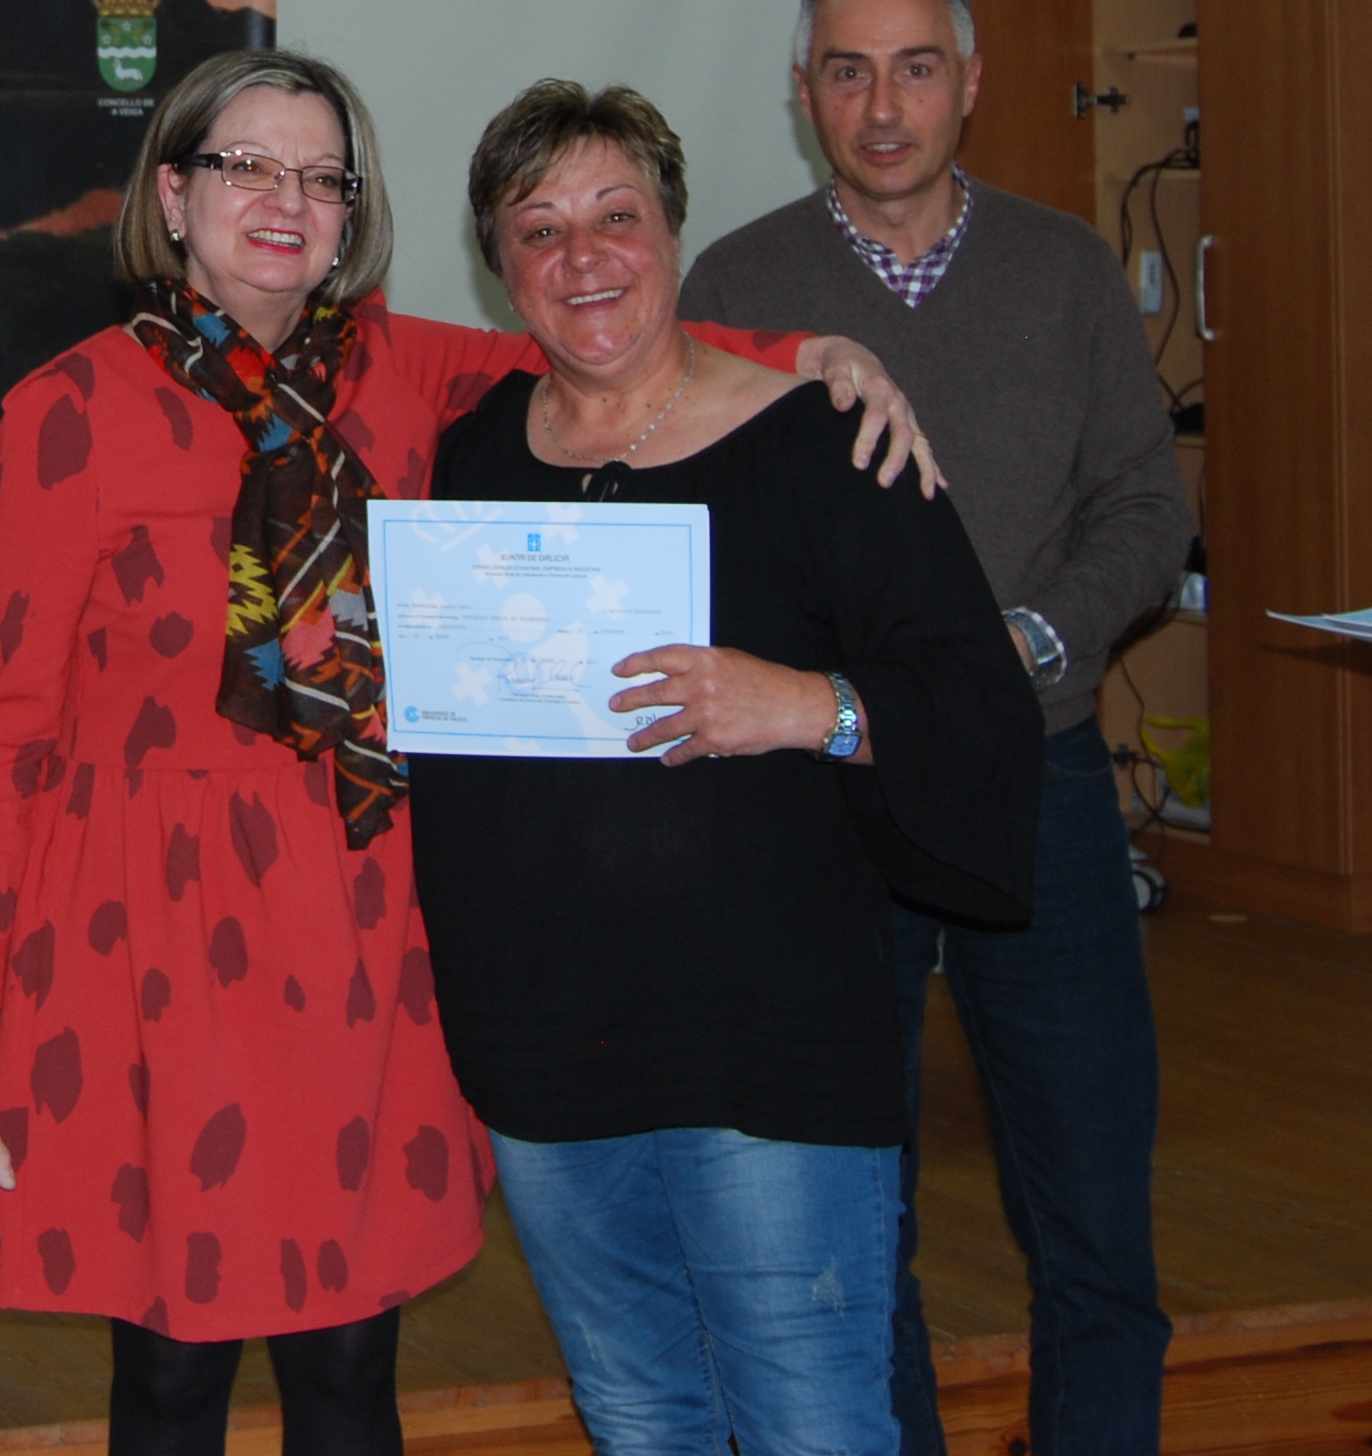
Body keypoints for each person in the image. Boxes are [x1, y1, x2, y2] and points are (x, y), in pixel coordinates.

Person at [0, 48, 940, 1455]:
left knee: (349, 1363)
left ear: (352, 213)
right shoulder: (66, 412)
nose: (287, 199)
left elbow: (611, 344)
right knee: (171, 1370)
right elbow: (3, 736)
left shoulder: (408, 373)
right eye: (247, 167)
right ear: (174, 194)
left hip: (357, 923)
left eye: (322, 177)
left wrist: (813, 354)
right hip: (150, 939)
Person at [409, 79, 1040, 1456]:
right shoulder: (468, 461)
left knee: (812, 1424)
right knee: (640, 1419)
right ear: (499, 265)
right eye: (539, 228)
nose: (583, 257)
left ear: (674, 232)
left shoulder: (830, 445)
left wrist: (809, 704)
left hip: (769, 1047)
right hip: (545, 1044)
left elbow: (976, 706)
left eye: (617, 216)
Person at [683, 0, 1190, 1453]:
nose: (884, 106)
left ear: (971, 83)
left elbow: (1144, 511)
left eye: (916, 68)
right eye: (849, 72)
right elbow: (708, 533)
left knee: (1095, 1213)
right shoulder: (739, 289)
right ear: (803, 94)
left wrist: (1028, 645)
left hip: (1043, 781)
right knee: (858, 1217)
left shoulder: (1066, 269)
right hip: (829, 801)